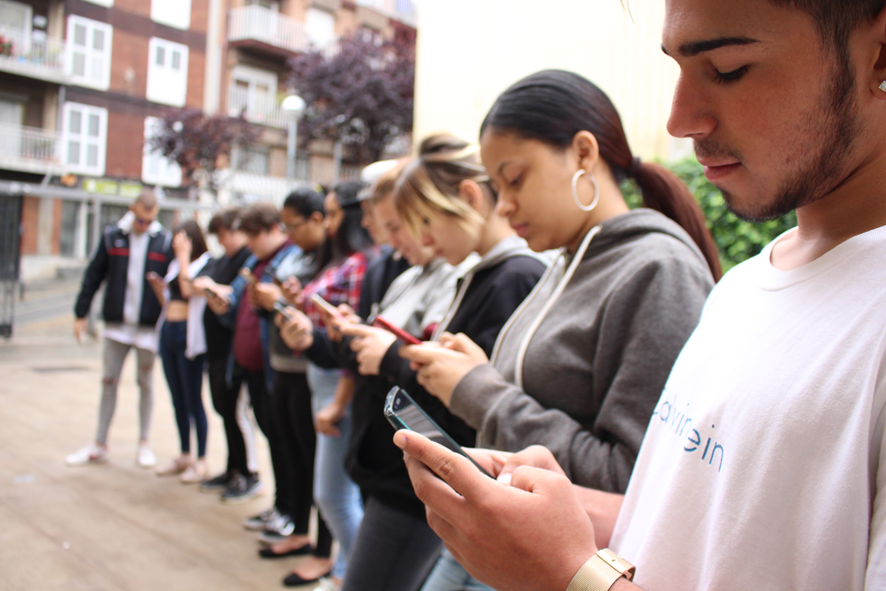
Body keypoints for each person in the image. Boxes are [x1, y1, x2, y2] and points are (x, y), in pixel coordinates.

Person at [398, 0, 886, 590]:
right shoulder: (743, 287)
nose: (679, 119)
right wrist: (548, 510)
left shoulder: (661, 268)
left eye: (728, 68)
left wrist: (564, 574)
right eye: (676, 70)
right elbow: (682, 517)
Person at [399, 70, 719, 590]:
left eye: (515, 179)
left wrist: (478, 391)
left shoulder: (657, 270)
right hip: (507, 542)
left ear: (583, 154)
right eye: (497, 186)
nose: (503, 205)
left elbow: (630, 482)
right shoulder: (566, 261)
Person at [246, 188, 335, 584]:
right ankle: (299, 531)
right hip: (281, 364)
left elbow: (316, 323)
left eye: (292, 225)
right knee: (293, 456)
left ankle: (325, 550)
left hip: (310, 373)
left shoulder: (331, 263)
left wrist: (279, 303)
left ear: (319, 220)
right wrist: (265, 302)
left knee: (319, 466)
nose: (288, 234)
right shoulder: (295, 257)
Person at [67, 189, 172, 467]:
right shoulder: (113, 236)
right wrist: (81, 313)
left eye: (149, 221)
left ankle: (144, 443)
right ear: (132, 210)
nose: (144, 226)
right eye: (140, 220)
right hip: (116, 324)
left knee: (146, 382)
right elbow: (94, 275)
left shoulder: (163, 241)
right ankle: (99, 442)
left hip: (148, 327)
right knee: (109, 380)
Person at [193, 207, 261, 502]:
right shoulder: (225, 259)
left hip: (235, 351)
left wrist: (217, 292)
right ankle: (233, 467)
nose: (222, 241)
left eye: (224, 235)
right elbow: (199, 278)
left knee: (237, 412)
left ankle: (250, 472)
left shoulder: (248, 258)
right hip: (218, 350)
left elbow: (235, 298)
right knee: (225, 410)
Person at [148, 220, 212, 482]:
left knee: (193, 397)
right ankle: (185, 453)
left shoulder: (205, 263)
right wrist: (159, 289)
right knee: (178, 399)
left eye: (181, 239)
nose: (176, 243)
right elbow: (172, 298)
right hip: (169, 332)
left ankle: (201, 459)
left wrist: (184, 256)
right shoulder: (176, 264)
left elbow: (187, 290)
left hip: (189, 335)